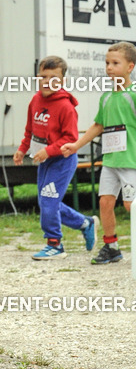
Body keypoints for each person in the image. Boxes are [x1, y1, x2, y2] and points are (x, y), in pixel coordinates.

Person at [13, 55, 96, 260]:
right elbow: (30, 130)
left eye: (53, 78)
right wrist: (22, 149)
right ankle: (86, 223)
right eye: (43, 76)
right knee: (48, 201)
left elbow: (70, 138)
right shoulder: (35, 100)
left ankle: (54, 244)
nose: (47, 81)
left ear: (62, 81)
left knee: (49, 201)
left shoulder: (66, 107)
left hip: (63, 161)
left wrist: (49, 151)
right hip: (45, 161)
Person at [61, 41, 136, 263]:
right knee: (105, 202)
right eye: (107, 63)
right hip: (111, 161)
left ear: (130, 67)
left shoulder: (133, 94)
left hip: (131, 161)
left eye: (115, 63)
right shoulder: (106, 97)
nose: (109, 68)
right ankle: (111, 246)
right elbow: (98, 126)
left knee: (130, 205)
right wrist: (76, 145)